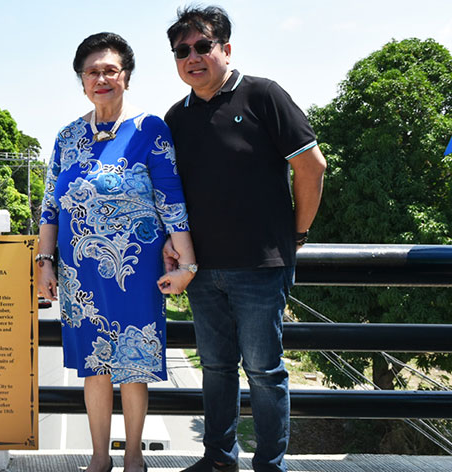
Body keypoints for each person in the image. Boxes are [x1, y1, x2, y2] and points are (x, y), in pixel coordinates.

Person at [162, 5, 327, 472]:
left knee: (265, 373)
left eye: (202, 46)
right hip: (202, 270)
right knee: (214, 370)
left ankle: (270, 465)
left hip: (260, 266)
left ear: (225, 48)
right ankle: (218, 459)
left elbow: (312, 167)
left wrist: (298, 233)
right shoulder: (177, 117)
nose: (192, 57)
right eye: (181, 51)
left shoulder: (263, 95)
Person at [36, 32, 197, 472]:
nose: (101, 78)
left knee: (133, 366)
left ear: (126, 76)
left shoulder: (149, 129)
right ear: (81, 81)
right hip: (80, 275)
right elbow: (50, 205)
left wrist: (187, 261)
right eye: (92, 72)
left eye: (110, 70)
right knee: (94, 366)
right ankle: (99, 457)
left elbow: (171, 199)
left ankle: (132, 456)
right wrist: (44, 262)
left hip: (135, 268)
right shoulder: (67, 136)